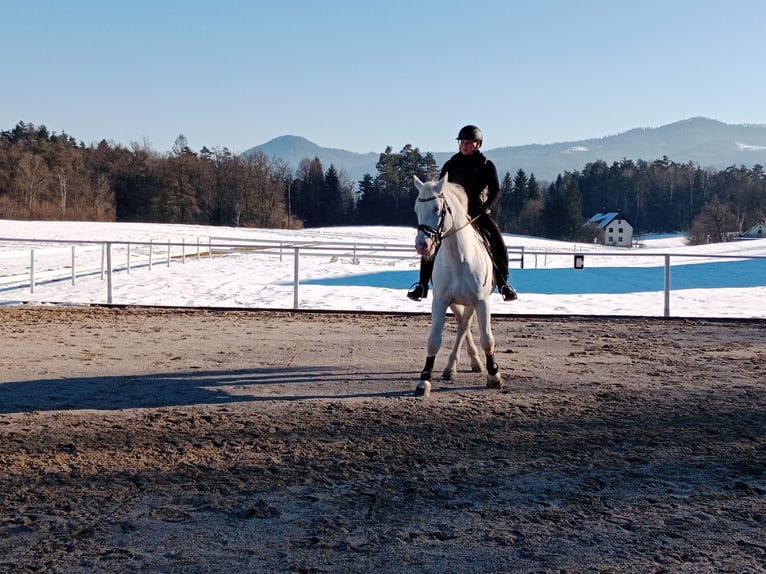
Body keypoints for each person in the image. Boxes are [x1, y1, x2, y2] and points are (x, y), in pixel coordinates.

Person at [407, 124, 518, 302]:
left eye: (468, 142)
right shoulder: (451, 164)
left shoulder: (487, 165)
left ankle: (504, 283)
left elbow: (496, 189)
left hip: (477, 212)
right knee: (432, 242)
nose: (464, 145)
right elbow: (439, 190)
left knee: (497, 241)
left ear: (478, 144)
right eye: (462, 142)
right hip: (453, 214)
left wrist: (487, 205)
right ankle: (422, 285)